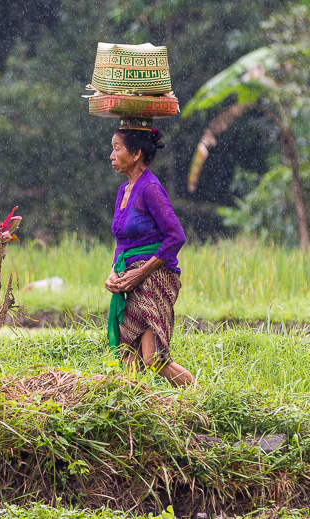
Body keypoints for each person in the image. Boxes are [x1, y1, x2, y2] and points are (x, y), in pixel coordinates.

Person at [104, 118, 195, 387]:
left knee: (154, 359)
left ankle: (200, 400)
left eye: (117, 148)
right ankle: (139, 418)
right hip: (130, 279)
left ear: (136, 154)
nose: (111, 155)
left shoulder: (150, 188)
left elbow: (176, 236)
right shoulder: (124, 189)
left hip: (155, 279)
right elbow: (122, 241)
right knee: (129, 360)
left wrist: (141, 273)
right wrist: (114, 273)